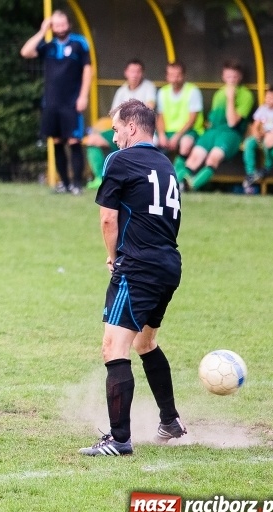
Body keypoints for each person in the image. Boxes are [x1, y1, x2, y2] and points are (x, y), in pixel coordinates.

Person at [80, 99, 186, 456]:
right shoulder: (166, 165)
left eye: (114, 129)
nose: (112, 138)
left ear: (132, 127)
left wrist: (114, 258)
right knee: (145, 343)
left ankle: (119, 439)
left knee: (114, 347)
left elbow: (108, 218)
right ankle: (169, 421)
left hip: (137, 266)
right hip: (168, 264)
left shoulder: (120, 161)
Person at [21, 10, 92, 195]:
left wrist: (83, 96)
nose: (60, 28)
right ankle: (65, 184)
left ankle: (77, 184)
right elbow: (26, 52)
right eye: (56, 25)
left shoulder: (79, 43)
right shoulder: (48, 45)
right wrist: (41, 32)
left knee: (74, 140)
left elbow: (87, 69)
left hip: (72, 101)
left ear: (69, 24)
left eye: (63, 24)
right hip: (52, 102)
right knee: (57, 140)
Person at [178, 60, 254, 190]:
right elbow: (213, 119)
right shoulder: (219, 94)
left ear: (240, 77)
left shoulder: (246, 95)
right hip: (213, 131)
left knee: (213, 159)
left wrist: (230, 98)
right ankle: (173, 184)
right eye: (228, 76)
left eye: (234, 77)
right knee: (193, 159)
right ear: (223, 77)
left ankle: (191, 186)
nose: (231, 80)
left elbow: (232, 122)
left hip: (231, 134)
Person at [85, 58, 157, 189]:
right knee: (92, 140)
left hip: (141, 132)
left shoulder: (149, 87)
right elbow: (114, 115)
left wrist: (127, 115)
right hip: (123, 131)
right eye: (132, 71)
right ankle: (100, 178)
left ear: (142, 73)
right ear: (126, 73)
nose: (134, 75)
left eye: (138, 71)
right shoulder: (121, 91)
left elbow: (148, 109)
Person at [155, 62, 204, 180]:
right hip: (167, 131)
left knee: (185, 144)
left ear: (184, 75)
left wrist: (177, 136)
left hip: (189, 131)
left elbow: (193, 118)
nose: (175, 79)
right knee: (149, 142)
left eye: (178, 75)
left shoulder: (193, 91)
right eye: (171, 75)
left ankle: (176, 177)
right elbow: (160, 116)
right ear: (166, 76)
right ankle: (151, 177)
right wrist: (161, 134)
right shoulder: (163, 92)